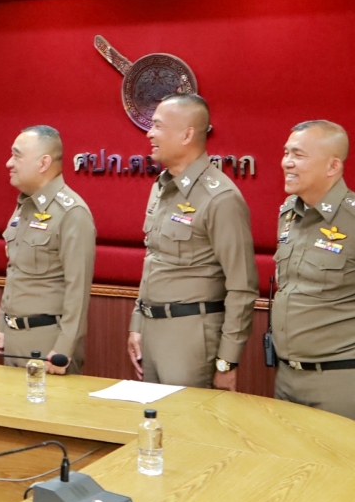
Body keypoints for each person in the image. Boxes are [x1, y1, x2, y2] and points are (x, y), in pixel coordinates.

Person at [127, 94, 259, 390]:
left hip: (191, 335)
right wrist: (138, 323)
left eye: (158, 126)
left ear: (187, 134)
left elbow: (242, 285)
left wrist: (227, 360)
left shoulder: (220, 198)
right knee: (153, 425)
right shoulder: (162, 188)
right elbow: (153, 260)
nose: (149, 133)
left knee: (186, 428)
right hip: (151, 330)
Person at [0, 126, 95, 373]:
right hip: (13, 339)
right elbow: (15, 271)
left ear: (43, 162)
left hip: (48, 343)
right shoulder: (24, 206)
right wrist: (2, 325)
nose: (8, 163)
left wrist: (64, 349)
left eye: (16, 156)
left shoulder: (72, 213)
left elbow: (77, 291)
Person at [273, 120, 355, 420]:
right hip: (286, 377)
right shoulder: (288, 213)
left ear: (332, 166)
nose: (287, 163)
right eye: (286, 153)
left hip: (339, 382)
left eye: (299, 155)